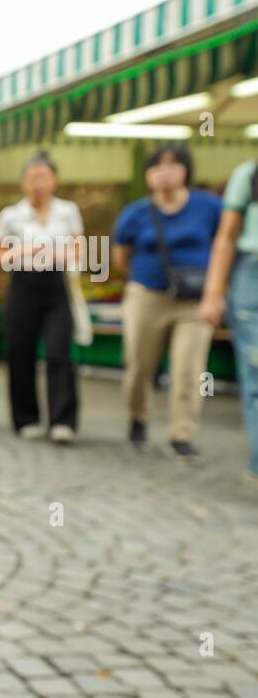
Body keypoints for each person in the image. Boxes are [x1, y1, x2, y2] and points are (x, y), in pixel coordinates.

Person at [113, 144, 222, 461]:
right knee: (138, 365)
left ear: (187, 171)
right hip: (147, 296)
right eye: (157, 168)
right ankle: (138, 417)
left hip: (194, 300)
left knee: (189, 369)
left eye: (173, 166)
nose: (165, 173)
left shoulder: (209, 206)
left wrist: (216, 293)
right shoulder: (135, 213)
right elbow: (120, 256)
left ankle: (182, 433)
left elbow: (223, 243)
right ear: (147, 176)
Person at [0, 151, 87, 444]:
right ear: (22, 183)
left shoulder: (68, 212)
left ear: (54, 180)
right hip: (23, 285)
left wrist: (60, 254)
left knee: (58, 351)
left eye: (43, 177)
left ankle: (62, 420)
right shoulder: (10, 216)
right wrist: (22, 252)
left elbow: (82, 249)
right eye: (32, 178)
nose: (37, 184)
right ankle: (26, 418)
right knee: (21, 352)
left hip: (56, 284)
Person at [202, 158, 258, 485]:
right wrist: (213, 292)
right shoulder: (248, 174)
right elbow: (226, 235)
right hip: (251, 276)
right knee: (255, 370)